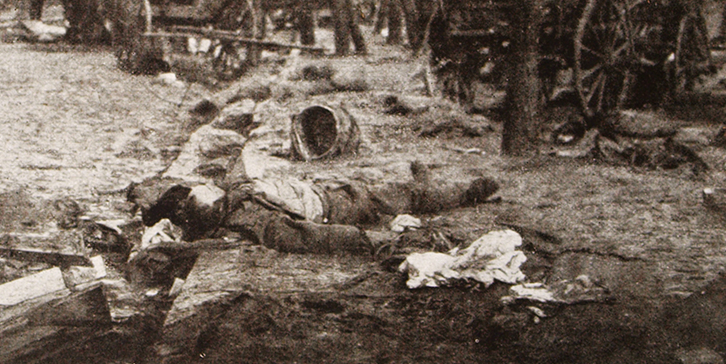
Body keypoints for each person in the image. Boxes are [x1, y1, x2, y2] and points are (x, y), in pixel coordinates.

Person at [135, 162, 500, 255]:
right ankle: (458, 190)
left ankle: (461, 192)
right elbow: (315, 236)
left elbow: (314, 236)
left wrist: (380, 241)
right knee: (406, 195)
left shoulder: (243, 210)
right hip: (335, 197)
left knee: (407, 196)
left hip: (337, 200)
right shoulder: (244, 204)